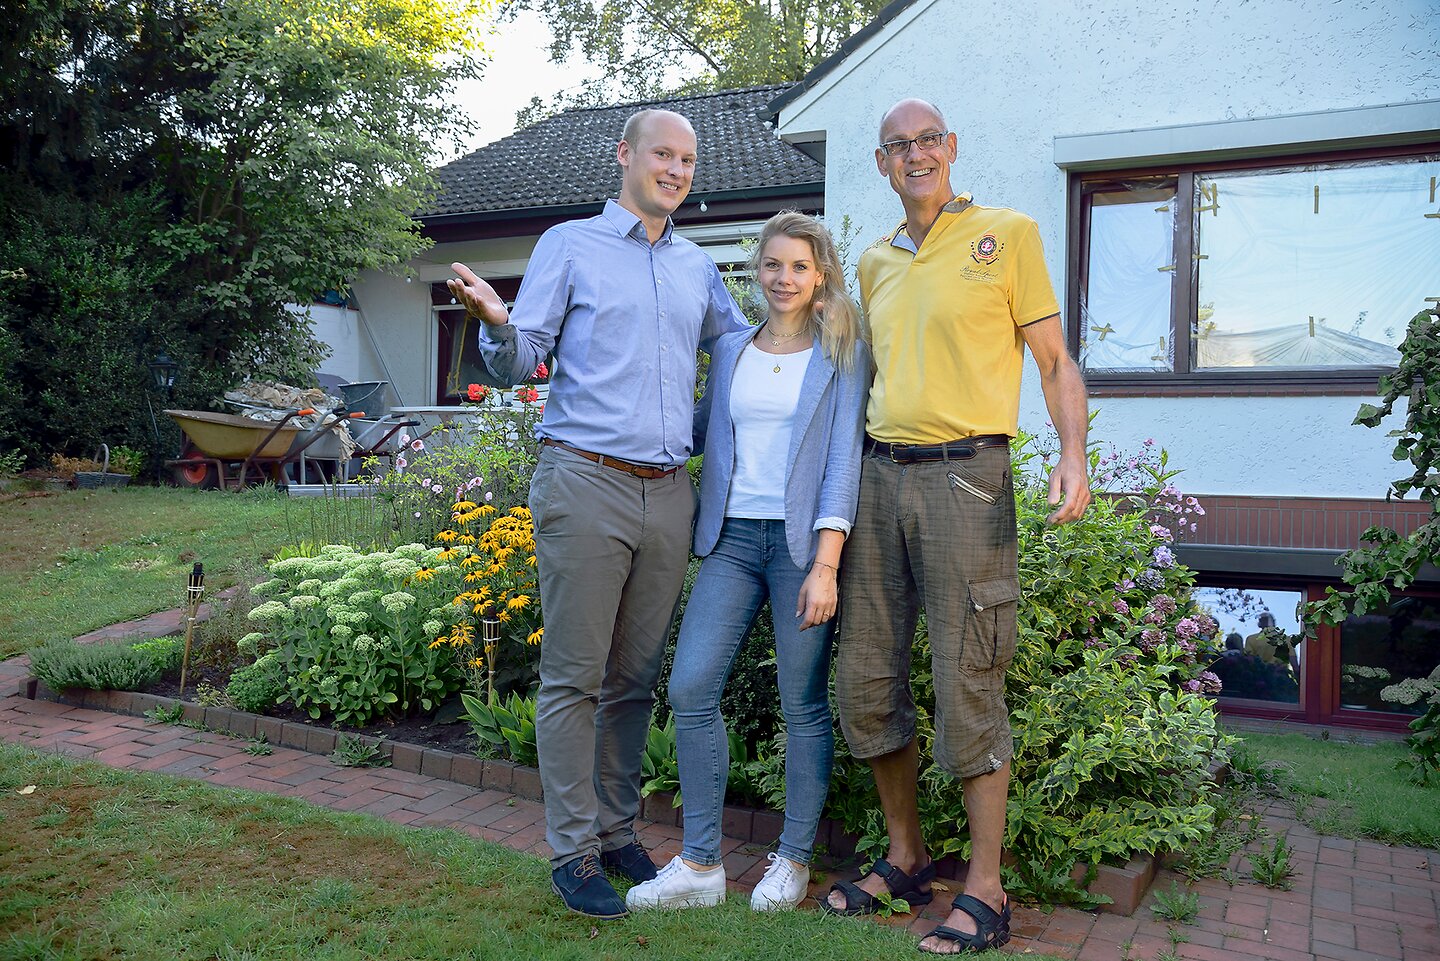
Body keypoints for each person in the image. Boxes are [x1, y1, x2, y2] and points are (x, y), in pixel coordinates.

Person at [446, 108, 749, 920]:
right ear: (625, 157)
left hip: (667, 492)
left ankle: (618, 831)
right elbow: (523, 357)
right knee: (575, 677)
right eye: (663, 154)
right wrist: (497, 322)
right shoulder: (568, 244)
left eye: (688, 160)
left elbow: (748, 349)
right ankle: (573, 850)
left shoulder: (698, 268)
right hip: (586, 481)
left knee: (633, 679)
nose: (677, 170)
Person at [823, 99, 1092, 955]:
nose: (916, 155)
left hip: (966, 479)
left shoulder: (1006, 235)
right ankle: (905, 854)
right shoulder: (872, 263)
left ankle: (985, 886)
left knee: (970, 672)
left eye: (928, 140)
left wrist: (1073, 454)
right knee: (866, 673)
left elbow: (1054, 360)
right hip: (877, 480)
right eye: (899, 146)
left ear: (952, 148)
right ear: (880, 162)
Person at [625, 211, 869, 913]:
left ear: (819, 273)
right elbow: (700, 429)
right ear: (755, 271)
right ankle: (701, 865)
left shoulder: (841, 349)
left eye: (798, 266)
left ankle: (791, 859)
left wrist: (827, 564)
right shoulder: (731, 348)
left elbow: (842, 466)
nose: (783, 278)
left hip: (801, 552)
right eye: (772, 265)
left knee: (803, 706)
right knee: (692, 685)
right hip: (731, 540)